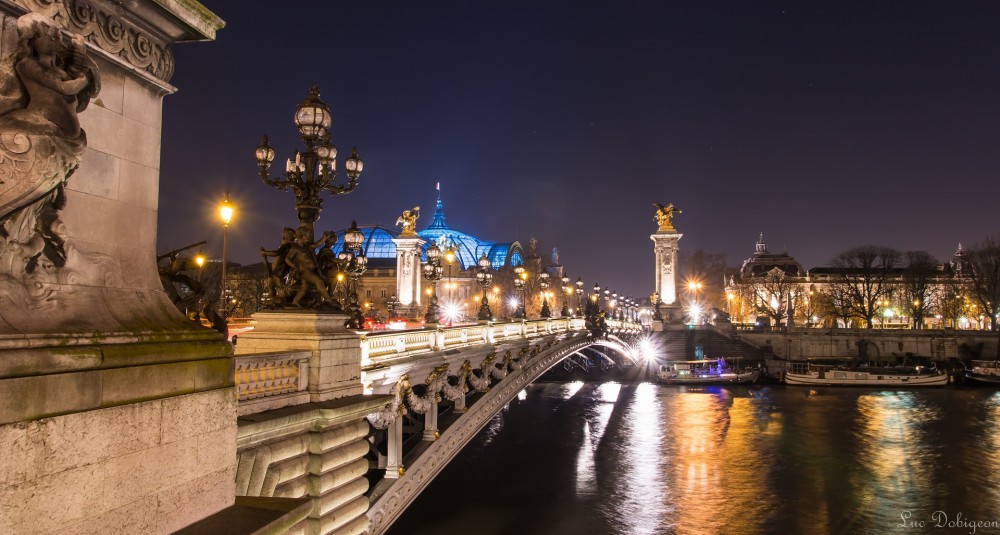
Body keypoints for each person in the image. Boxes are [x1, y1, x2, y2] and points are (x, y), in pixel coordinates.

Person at [285, 225, 335, 307]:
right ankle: (328, 300)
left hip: (310, 271)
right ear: (302, 236)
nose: (308, 238)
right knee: (319, 282)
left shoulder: (307, 246)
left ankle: (295, 301)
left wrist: (324, 238)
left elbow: (316, 245)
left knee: (304, 288)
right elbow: (287, 259)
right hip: (305, 271)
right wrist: (295, 267)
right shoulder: (295, 248)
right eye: (307, 236)